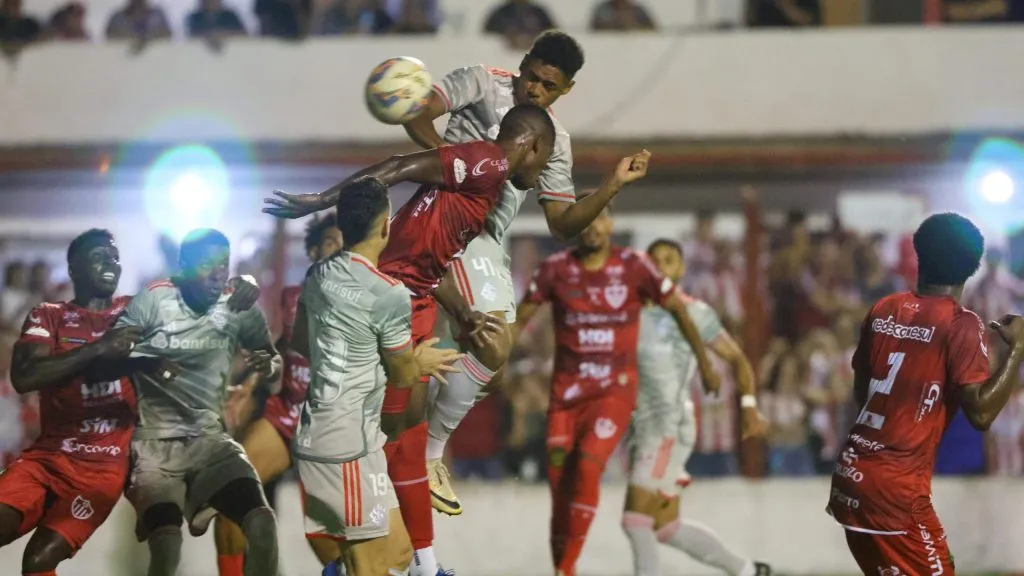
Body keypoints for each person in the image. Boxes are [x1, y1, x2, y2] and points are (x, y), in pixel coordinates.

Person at [265, 102, 558, 576]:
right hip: (393, 302)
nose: (543, 172)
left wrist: (463, 312)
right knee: (400, 432)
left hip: (410, 297)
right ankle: (391, 556)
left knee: (408, 428)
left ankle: (419, 561)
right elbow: (397, 167)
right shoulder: (491, 162)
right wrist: (321, 201)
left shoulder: (480, 187)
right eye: (545, 161)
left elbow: (428, 256)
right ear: (535, 145)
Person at [401, 29, 636, 521]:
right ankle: (426, 455)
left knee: (495, 356)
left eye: (549, 87)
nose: (535, 91)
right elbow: (418, 112)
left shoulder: (555, 139)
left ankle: (420, 445)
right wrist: (460, 167)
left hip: (484, 241)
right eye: (532, 78)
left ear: (565, 89)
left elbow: (561, 222)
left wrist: (611, 186)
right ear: (524, 61)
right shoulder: (480, 82)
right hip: (449, 214)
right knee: (480, 347)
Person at [515, 206, 721, 576]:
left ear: (610, 224)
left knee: (589, 466)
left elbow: (679, 309)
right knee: (561, 489)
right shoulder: (554, 270)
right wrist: (488, 362)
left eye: (599, 220)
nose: (592, 229)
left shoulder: (634, 267)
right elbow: (520, 320)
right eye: (584, 221)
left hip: (613, 393)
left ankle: (564, 569)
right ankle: (565, 566)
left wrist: (705, 363)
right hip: (565, 398)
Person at [827, 212, 1024, 574]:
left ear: (919, 253)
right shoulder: (961, 323)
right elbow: (980, 415)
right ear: (972, 267)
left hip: (851, 476)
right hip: (897, 491)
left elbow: (863, 392)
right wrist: (1017, 350)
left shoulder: (884, 308)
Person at [293, 179, 461, 576]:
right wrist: (420, 360)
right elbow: (403, 376)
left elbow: (302, 341)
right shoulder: (389, 293)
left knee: (397, 551)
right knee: (370, 567)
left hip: (324, 436)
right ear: (386, 227)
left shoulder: (318, 275)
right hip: (347, 445)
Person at [0, 229, 173, 576]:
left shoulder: (134, 311)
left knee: (37, 561)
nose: (110, 263)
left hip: (101, 469)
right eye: (98, 257)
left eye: (114, 257)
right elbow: (24, 377)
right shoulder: (48, 315)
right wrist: (97, 348)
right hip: (46, 458)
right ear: (74, 270)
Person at [116, 228, 282, 576]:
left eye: (224, 264)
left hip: (212, 444)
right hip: (156, 449)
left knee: (263, 525)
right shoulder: (152, 300)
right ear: (183, 267)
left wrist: (269, 366)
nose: (219, 273)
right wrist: (146, 361)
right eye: (208, 265)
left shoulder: (237, 303)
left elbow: (275, 365)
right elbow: (108, 357)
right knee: (167, 549)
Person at [622, 239, 772, 576]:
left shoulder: (694, 312)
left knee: (636, 520)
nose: (661, 267)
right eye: (654, 261)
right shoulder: (631, 310)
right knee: (664, 526)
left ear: (681, 269)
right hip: (648, 424)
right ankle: (748, 570)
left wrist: (748, 405)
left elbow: (737, 358)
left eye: (669, 261)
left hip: (667, 425)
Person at [214, 215, 344, 575]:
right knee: (230, 502)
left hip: (332, 427)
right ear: (315, 250)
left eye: (346, 245)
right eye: (333, 242)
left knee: (324, 539)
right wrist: (250, 385)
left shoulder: (362, 300)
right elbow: (280, 346)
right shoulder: (293, 297)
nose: (341, 252)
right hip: (288, 414)